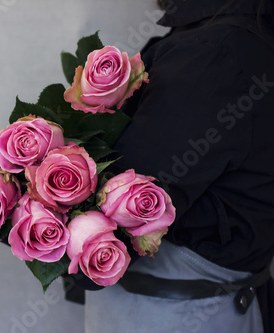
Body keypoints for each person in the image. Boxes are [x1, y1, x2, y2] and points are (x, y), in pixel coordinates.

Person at [83, 0, 274, 332]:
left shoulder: (216, 53)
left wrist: (18, 189)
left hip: (174, 317)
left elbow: (118, 216)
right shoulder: (233, 36)